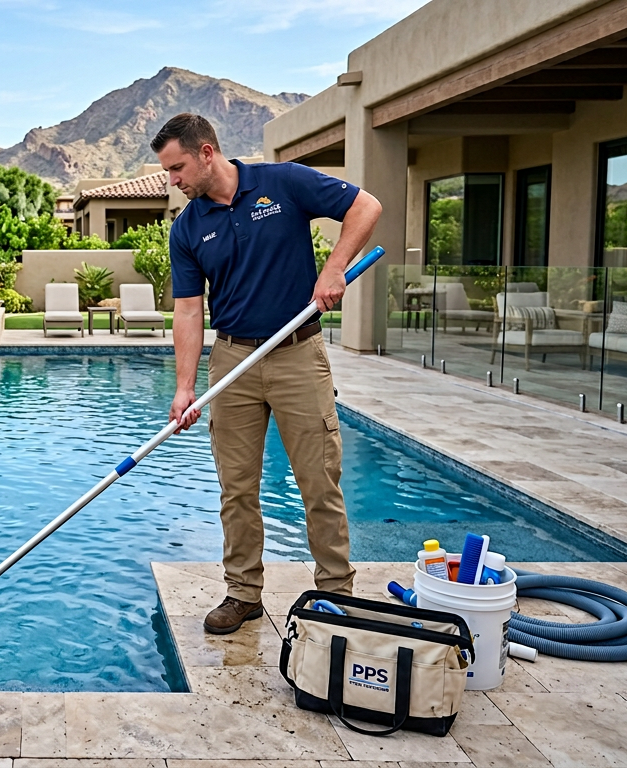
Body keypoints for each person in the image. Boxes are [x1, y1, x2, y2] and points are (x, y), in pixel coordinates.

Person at [151, 113, 382, 634]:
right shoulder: (187, 228)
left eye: (177, 167)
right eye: (167, 171)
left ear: (206, 152)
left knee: (318, 481)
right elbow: (188, 310)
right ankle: (243, 593)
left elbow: (366, 206)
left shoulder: (283, 182)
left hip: (298, 353)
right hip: (232, 360)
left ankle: (335, 593)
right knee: (236, 487)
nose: (173, 180)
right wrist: (185, 387)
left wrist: (334, 267)